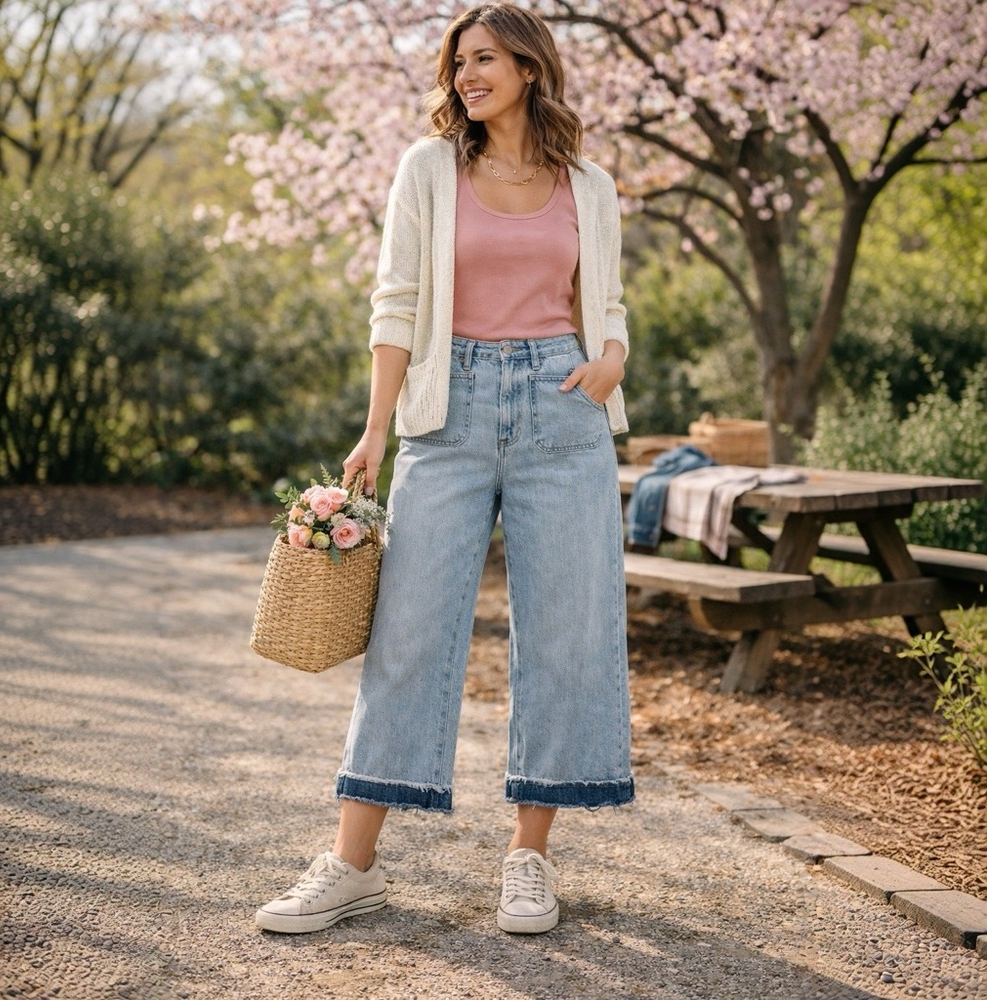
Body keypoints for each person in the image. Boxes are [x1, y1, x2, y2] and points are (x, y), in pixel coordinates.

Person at [255, 1, 632, 937]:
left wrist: (612, 357)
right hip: (446, 410)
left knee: (565, 634)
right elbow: (396, 302)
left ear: (530, 69)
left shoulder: (589, 183)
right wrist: (375, 430)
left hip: (562, 407)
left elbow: (608, 301)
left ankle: (529, 858)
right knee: (409, 632)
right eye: (459, 61)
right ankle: (351, 866)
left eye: (487, 58)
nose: (468, 75)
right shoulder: (428, 170)